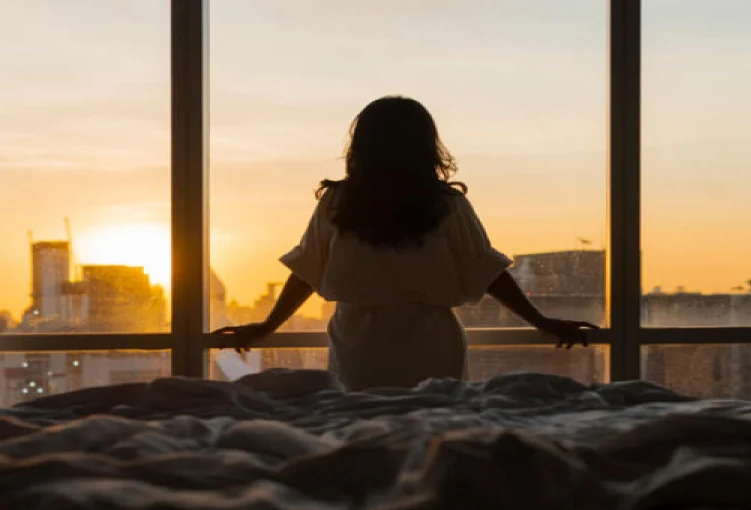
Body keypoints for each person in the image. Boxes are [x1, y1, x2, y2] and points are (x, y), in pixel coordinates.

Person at [213, 95, 597, 391]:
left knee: (365, 434)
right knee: (433, 427)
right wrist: (541, 321)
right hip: (429, 339)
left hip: (359, 340)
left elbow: (307, 270)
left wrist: (266, 326)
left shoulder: (338, 203)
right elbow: (487, 271)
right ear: (426, 146)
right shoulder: (445, 204)